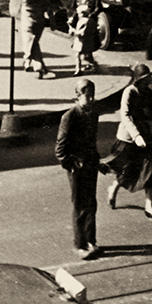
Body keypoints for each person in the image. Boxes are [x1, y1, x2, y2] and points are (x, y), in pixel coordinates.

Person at [55, 77, 104, 259]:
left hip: (90, 164)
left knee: (91, 203)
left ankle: (91, 240)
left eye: (93, 96)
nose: (91, 100)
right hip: (77, 167)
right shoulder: (70, 116)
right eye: (87, 96)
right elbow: (60, 149)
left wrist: (97, 161)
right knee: (80, 206)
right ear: (77, 96)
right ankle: (80, 244)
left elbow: (92, 142)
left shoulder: (93, 114)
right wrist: (71, 165)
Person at [105, 63, 152, 220]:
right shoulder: (129, 92)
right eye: (144, 79)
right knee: (127, 170)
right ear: (137, 80)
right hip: (128, 137)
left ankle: (149, 206)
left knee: (150, 168)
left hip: (145, 134)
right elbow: (125, 115)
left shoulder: (149, 93)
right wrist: (136, 136)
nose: (147, 82)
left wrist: (151, 113)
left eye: (148, 79)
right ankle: (114, 187)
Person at [19, 0, 51, 78]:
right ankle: (28, 62)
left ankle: (39, 66)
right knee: (34, 43)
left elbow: (15, 4)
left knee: (30, 43)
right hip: (39, 22)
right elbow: (47, 6)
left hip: (27, 22)